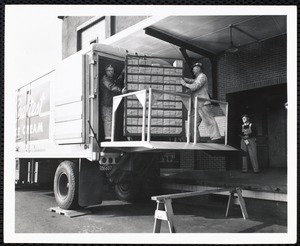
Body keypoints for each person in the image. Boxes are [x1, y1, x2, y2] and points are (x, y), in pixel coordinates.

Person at [181, 62, 222, 143]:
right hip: (196, 104)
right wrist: (184, 79)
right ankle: (195, 139)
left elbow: (195, 86)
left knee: (208, 121)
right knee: (192, 123)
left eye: (194, 68)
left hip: (203, 103)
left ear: (199, 68)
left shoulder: (202, 76)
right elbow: (193, 81)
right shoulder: (197, 78)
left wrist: (184, 83)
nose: (192, 69)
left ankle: (216, 138)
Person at [100, 64, 127, 141]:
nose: (111, 72)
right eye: (109, 70)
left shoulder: (110, 79)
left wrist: (122, 73)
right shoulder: (105, 79)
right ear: (106, 71)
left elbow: (116, 82)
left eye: (112, 70)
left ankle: (111, 138)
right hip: (106, 104)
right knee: (108, 121)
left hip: (111, 103)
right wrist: (121, 91)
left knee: (112, 121)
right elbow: (111, 87)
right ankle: (108, 139)